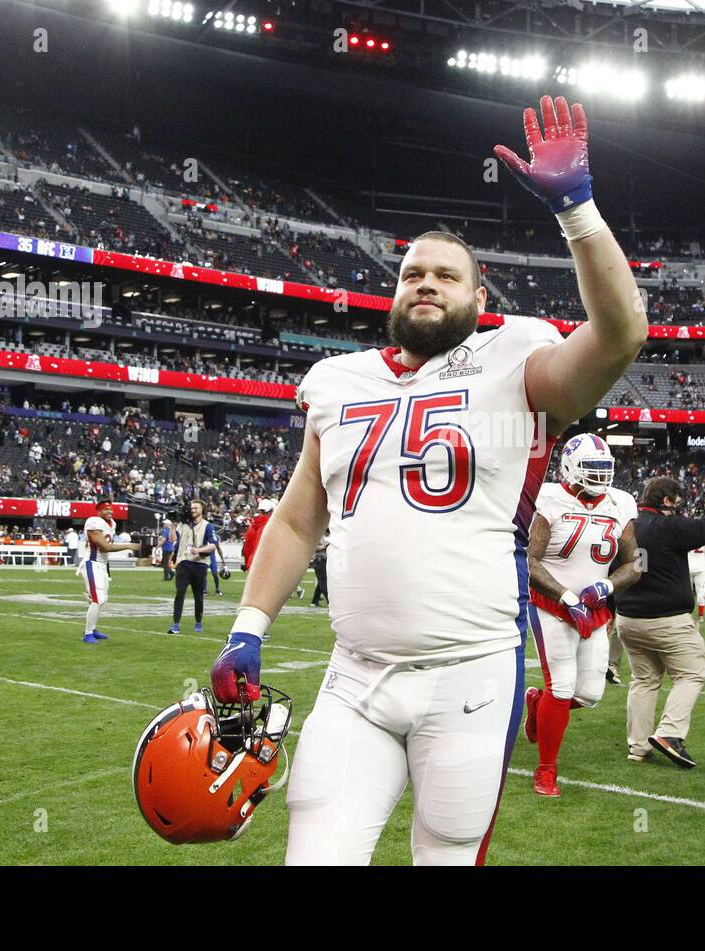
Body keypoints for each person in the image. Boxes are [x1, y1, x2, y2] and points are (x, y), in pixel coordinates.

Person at [208, 95, 647, 865]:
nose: (426, 283)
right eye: (412, 273)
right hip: (354, 676)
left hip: (468, 675)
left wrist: (577, 209)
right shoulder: (336, 380)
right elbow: (298, 521)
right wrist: (249, 629)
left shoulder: (518, 361)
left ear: (480, 301)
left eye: (447, 275)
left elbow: (620, 334)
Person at [523, 434, 640, 797]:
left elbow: (634, 563)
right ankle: (546, 772)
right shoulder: (550, 499)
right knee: (560, 686)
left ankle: (537, 704)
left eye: (605, 468)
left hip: (594, 607)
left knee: (588, 693)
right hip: (552, 605)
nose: (600, 476)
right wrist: (565, 594)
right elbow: (530, 560)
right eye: (592, 468)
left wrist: (606, 587)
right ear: (571, 467)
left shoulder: (621, 503)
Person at [615, 476, 705, 768]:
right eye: (677, 501)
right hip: (666, 619)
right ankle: (670, 734)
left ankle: (637, 745)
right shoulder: (667, 526)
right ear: (667, 500)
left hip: (628, 618)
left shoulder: (627, 526)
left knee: (644, 680)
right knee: (692, 673)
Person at [79, 499, 136, 644]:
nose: (109, 512)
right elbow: (105, 547)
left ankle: (92, 628)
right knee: (98, 599)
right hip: (92, 563)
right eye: (106, 509)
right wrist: (128, 545)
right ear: (99, 511)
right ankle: (88, 633)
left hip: (102, 564)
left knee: (102, 599)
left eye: (111, 509)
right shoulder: (94, 522)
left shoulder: (112, 524)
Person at [168, 500, 217, 635]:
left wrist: (199, 550)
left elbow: (213, 544)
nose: (193, 510)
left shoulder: (208, 526)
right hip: (183, 562)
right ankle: (176, 624)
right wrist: (172, 525)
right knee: (180, 593)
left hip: (199, 564)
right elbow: (172, 539)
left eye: (196, 508)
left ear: (202, 510)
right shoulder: (183, 524)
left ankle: (198, 621)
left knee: (198, 595)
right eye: (192, 508)